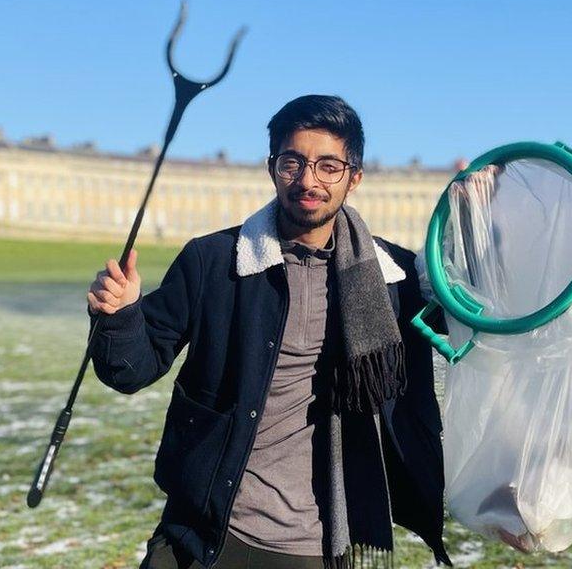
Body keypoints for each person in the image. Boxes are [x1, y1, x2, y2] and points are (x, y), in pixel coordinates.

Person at [87, 95, 452, 569]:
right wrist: (119, 315)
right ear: (271, 167)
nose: (308, 180)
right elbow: (129, 369)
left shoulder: (394, 281)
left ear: (354, 177)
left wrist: (481, 203)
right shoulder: (213, 261)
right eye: (292, 162)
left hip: (313, 544)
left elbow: (481, 311)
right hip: (204, 531)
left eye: (328, 166)